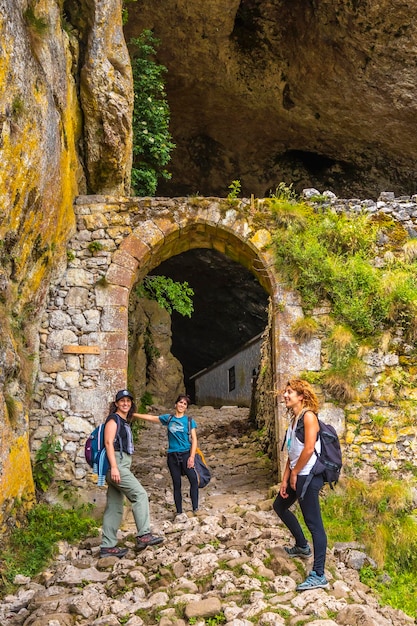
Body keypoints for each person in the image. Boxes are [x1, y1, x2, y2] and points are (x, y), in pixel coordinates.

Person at [273, 378, 329, 591]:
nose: (285, 395)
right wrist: (286, 478)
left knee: (314, 524)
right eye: (285, 392)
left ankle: (319, 574)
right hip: (297, 475)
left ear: (301, 396)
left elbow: (308, 450)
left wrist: (295, 474)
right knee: (279, 506)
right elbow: (292, 453)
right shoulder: (295, 419)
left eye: (289, 392)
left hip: (308, 477)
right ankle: (302, 546)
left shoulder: (309, 417)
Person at [100, 389, 164, 558]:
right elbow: (108, 442)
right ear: (116, 404)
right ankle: (144, 534)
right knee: (140, 495)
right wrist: (114, 467)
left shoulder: (124, 421)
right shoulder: (113, 419)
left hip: (121, 465)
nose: (125, 403)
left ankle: (107, 546)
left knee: (114, 505)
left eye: (128, 401)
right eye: (122, 401)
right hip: (117, 464)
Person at [133, 394, 199, 518]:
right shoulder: (168, 419)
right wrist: (134, 415)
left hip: (185, 454)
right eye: (180, 402)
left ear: (186, 407)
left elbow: (194, 440)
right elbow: (151, 418)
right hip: (172, 456)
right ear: (175, 404)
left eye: (184, 404)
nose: (182, 405)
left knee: (193, 480)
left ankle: (195, 508)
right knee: (176, 483)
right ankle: (179, 512)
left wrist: (192, 457)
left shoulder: (189, 421)